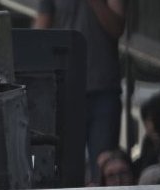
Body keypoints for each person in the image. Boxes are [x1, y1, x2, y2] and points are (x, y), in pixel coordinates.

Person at [34, 0, 125, 179]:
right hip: (65, 89)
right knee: (65, 166)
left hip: (103, 89)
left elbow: (117, 29)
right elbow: (40, 33)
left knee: (104, 165)